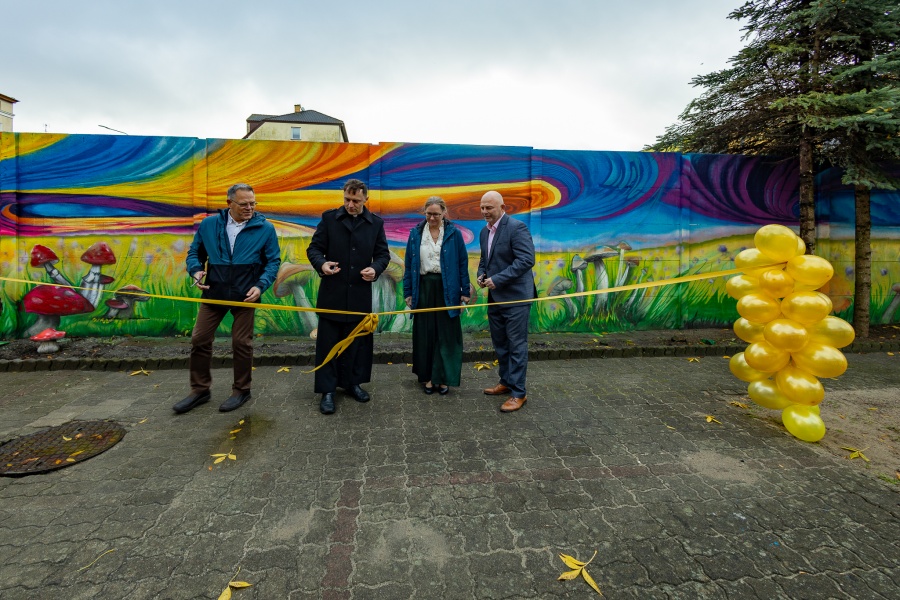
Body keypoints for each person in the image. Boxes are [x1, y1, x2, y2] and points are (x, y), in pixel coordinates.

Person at [175, 183, 281, 414]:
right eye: (244, 204)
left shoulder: (265, 228)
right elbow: (195, 253)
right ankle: (200, 390)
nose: (249, 208)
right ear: (229, 203)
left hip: (246, 295)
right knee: (200, 338)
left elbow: (273, 261)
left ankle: (242, 390)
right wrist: (196, 270)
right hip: (215, 291)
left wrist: (260, 286)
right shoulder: (209, 225)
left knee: (241, 342)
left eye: (253, 203)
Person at [307, 179, 390, 415]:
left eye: (355, 200)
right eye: (347, 199)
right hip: (332, 294)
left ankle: (353, 383)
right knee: (328, 344)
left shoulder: (376, 224)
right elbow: (314, 249)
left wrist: (375, 269)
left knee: (357, 344)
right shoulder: (329, 219)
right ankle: (327, 390)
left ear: (366, 199)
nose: (350, 205)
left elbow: (382, 255)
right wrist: (322, 264)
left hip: (359, 295)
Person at [403, 197, 471, 395]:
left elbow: (462, 263)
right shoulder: (415, 234)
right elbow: (409, 265)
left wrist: (464, 292)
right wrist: (408, 292)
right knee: (425, 334)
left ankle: (442, 378)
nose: (432, 218)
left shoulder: (454, 234)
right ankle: (428, 377)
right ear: (424, 213)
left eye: (436, 214)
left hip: (448, 289)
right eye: (429, 214)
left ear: (444, 213)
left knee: (446, 334)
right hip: (423, 288)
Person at [476, 190, 536, 412]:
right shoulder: (484, 232)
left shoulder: (516, 227)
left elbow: (527, 259)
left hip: (516, 298)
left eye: (489, 207)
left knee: (516, 345)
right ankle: (506, 382)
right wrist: (481, 275)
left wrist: (498, 279)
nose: (485, 211)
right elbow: (485, 259)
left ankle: (519, 393)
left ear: (503, 207)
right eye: (482, 207)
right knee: (500, 344)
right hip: (495, 299)